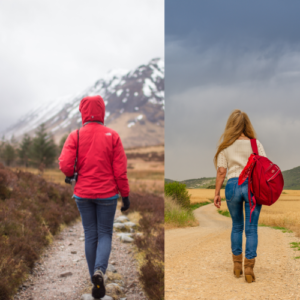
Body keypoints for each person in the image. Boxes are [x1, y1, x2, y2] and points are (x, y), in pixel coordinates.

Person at [59, 95, 130, 299]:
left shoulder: (76, 135)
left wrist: (70, 174)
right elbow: (120, 172)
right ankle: (100, 271)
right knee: (105, 233)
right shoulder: (113, 135)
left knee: (90, 234)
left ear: (83, 112)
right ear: (102, 111)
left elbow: (65, 163)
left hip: (82, 193)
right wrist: (125, 196)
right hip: (107, 195)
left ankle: (95, 280)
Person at [213, 109, 266, 283]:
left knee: (236, 226)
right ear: (247, 125)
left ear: (230, 126)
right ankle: (249, 268)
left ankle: (237, 266)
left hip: (233, 186)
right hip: (252, 187)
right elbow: (264, 167)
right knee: (251, 229)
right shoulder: (255, 144)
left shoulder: (226, 146)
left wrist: (217, 194)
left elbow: (221, 172)